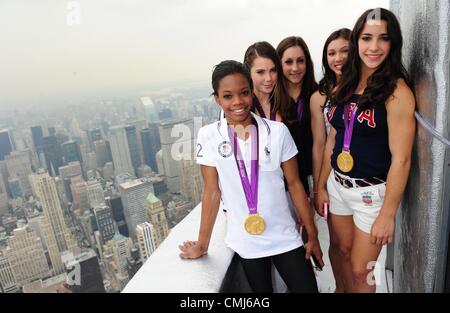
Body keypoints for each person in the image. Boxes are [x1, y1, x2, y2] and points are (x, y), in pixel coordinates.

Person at [179, 60, 323, 293]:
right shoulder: (208, 136)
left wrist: (312, 233)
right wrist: (202, 244)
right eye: (228, 96)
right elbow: (212, 192)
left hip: (285, 236)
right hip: (245, 242)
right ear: (217, 99)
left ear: (251, 93)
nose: (238, 102)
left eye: (244, 93)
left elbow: (295, 185)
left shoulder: (276, 132)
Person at [316, 8, 416, 292]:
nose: (374, 47)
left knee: (364, 271)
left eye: (383, 38)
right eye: (366, 38)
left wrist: (388, 214)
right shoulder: (344, 84)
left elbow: (402, 159)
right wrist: (321, 185)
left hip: (370, 196)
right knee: (339, 249)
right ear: (356, 41)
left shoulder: (396, 91)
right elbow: (333, 139)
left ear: (393, 43)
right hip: (337, 185)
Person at [310, 28, 351, 292]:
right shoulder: (320, 96)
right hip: (333, 175)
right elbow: (320, 144)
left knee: (356, 247)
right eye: (332, 52)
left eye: (345, 51)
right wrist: (319, 187)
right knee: (337, 243)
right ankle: (341, 287)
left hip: (365, 180)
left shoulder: (370, 88)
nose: (338, 58)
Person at [243, 41, 289, 122]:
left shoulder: (287, 102)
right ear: (248, 72)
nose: (269, 78)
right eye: (260, 72)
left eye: (273, 70)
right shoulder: (241, 107)